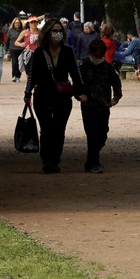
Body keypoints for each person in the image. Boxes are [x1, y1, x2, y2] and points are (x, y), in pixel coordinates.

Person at [24, 18, 83, 173]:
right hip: (42, 94)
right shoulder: (39, 52)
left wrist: (79, 92)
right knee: (46, 128)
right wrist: (28, 92)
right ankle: (47, 161)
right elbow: (32, 74)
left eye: (59, 31)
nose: (57, 33)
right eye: (54, 31)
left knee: (59, 129)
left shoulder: (68, 51)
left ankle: (55, 160)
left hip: (62, 96)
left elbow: (75, 73)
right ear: (47, 33)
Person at [76, 37, 122, 173]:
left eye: (101, 56)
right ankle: (94, 162)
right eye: (96, 56)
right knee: (93, 135)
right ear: (90, 53)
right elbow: (76, 85)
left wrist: (116, 97)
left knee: (102, 134)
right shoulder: (83, 68)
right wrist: (79, 95)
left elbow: (116, 83)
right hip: (88, 106)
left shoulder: (107, 68)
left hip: (104, 105)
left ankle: (91, 158)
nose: (98, 58)